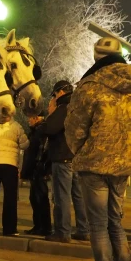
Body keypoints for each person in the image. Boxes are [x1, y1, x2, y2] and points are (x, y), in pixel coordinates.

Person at [65, 37, 131, 261]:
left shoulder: (90, 86)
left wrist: (79, 150)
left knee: (98, 224)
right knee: (115, 222)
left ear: (96, 57)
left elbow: (76, 126)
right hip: (124, 163)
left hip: (95, 161)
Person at [43, 80, 89, 243]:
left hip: (63, 157)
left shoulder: (63, 108)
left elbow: (50, 128)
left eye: (54, 95)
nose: (54, 98)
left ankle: (63, 232)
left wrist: (50, 113)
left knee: (61, 195)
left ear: (60, 92)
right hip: (77, 157)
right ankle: (83, 230)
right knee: (78, 196)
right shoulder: (79, 106)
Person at [21, 113, 52, 236]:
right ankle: (38, 226)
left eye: (30, 118)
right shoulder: (37, 131)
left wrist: (41, 167)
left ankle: (44, 227)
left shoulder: (41, 131)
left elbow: (36, 151)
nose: (29, 120)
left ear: (36, 118)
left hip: (39, 168)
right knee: (35, 198)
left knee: (40, 199)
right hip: (35, 169)